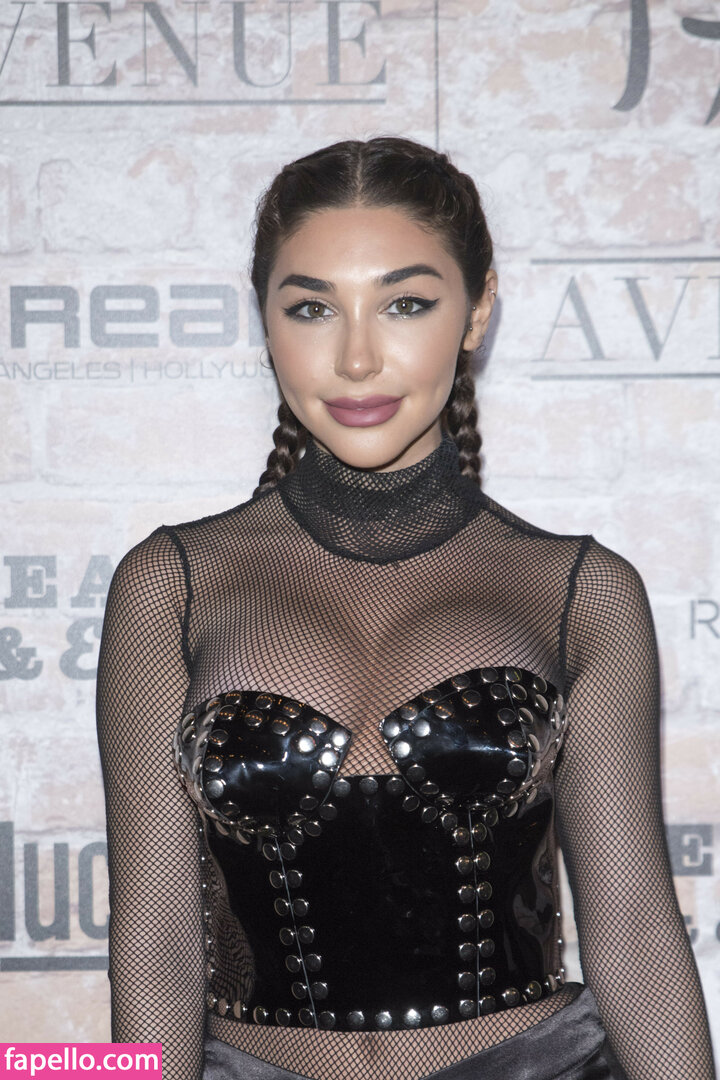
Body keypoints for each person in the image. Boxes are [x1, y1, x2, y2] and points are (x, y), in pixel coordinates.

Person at [96, 137, 716, 1080]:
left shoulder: (578, 590)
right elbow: (158, 939)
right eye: (311, 308)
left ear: (478, 311)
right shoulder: (172, 583)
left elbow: (631, 928)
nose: (355, 358)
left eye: (406, 304)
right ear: (265, 320)